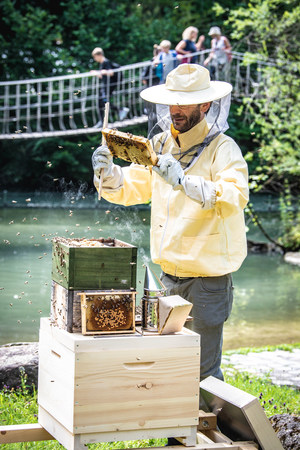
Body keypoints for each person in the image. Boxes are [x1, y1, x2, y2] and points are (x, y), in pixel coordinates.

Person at [92, 64, 249, 382]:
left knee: (202, 375)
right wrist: (107, 173)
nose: (174, 109)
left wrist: (183, 181)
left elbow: (235, 196)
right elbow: (133, 187)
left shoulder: (223, 148)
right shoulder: (161, 144)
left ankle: (208, 429)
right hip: (167, 279)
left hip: (207, 282)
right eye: (171, 102)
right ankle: (177, 433)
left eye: (184, 102)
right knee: (170, 367)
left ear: (205, 105)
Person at [90, 47, 129, 125]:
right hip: (105, 85)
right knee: (100, 102)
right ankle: (102, 120)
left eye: (95, 57)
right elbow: (103, 75)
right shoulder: (102, 64)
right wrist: (97, 73)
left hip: (109, 85)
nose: (95, 59)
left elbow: (111, 73)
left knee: (104, 101)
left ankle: (120, 110)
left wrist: (102, 72)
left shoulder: (106, 62)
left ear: (99, 55)